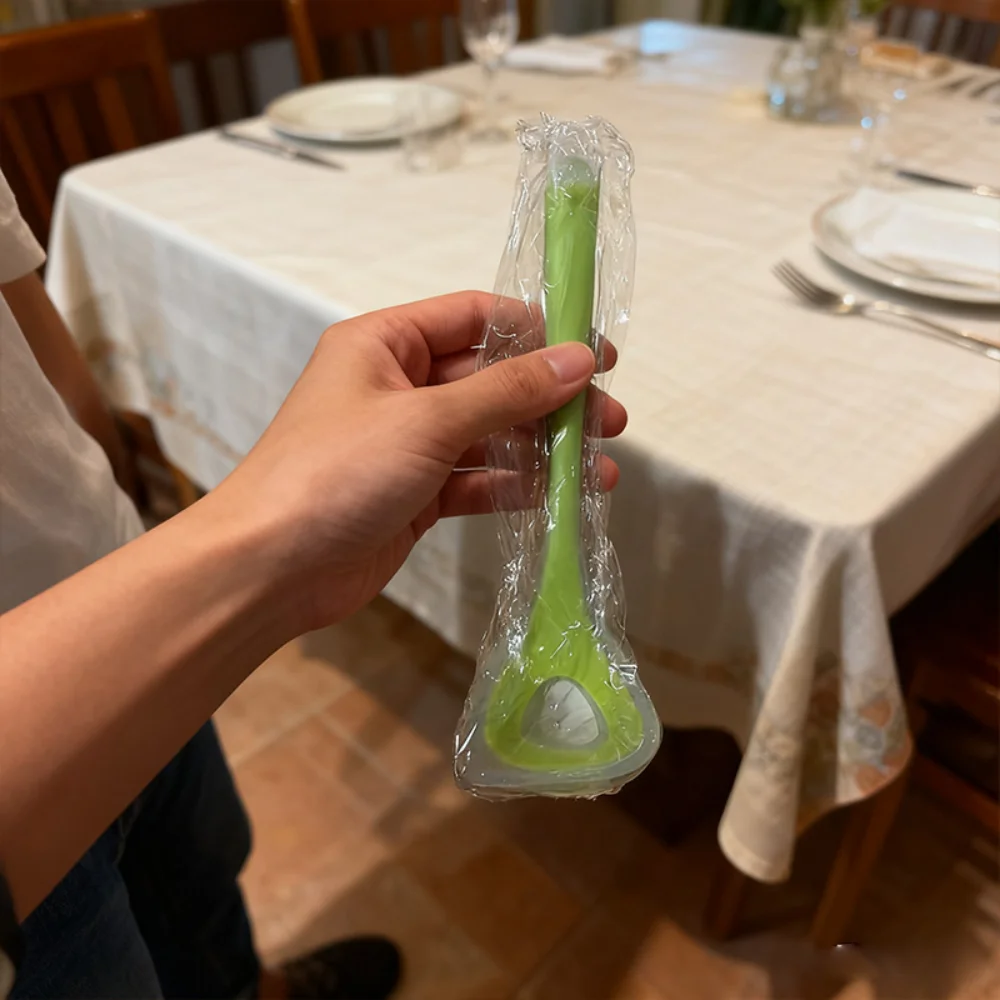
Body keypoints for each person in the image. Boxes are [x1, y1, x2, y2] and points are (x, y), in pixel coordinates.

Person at [0, 170, 627, 999]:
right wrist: (267, 536)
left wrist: (132, 498)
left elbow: (31, 330)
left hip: (122, 577)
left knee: (201, 879)